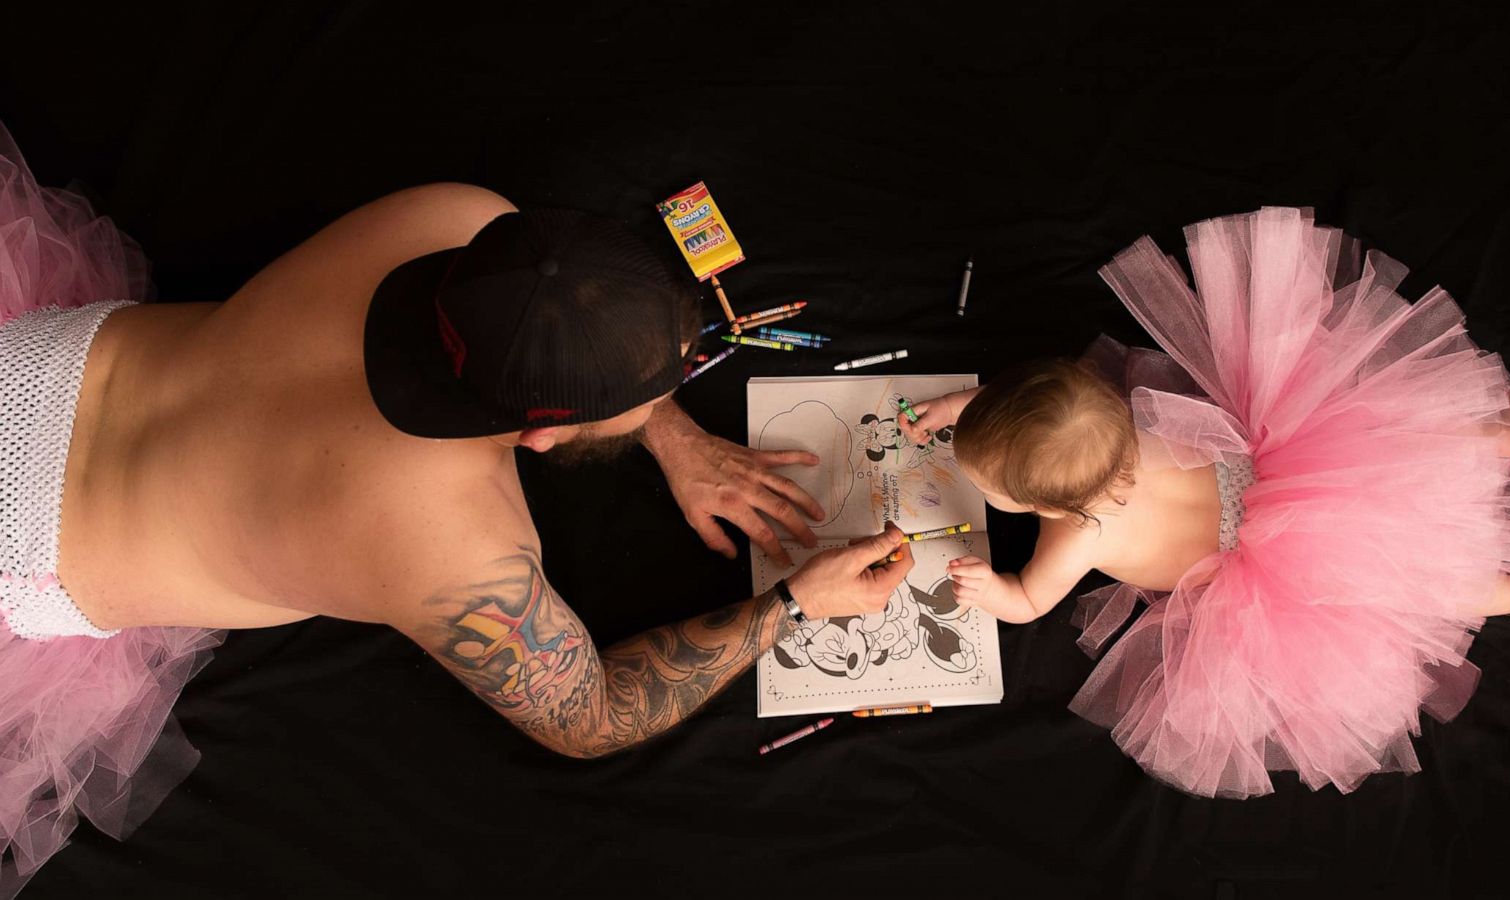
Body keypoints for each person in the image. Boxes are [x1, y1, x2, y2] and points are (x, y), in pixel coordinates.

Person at [0, 122, 914, 894]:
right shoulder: (454, 548)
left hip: (36, 369)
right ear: (542, 438)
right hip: (32, 557)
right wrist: (795, 606)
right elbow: (590, 717)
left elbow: (557, 328)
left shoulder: (459, 220)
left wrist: (674, 439)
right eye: (646, 402)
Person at [898, 206, 1510, 799]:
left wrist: (992, 587)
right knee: (1376, 433)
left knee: (1405, 587)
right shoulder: (1117, 420)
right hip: (1291, 466)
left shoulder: (1078, 537)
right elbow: (1038, 413)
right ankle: (1496, 435)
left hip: (1275, 565)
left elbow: (1028, 602)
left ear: (1044, 509)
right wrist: (968, 408)